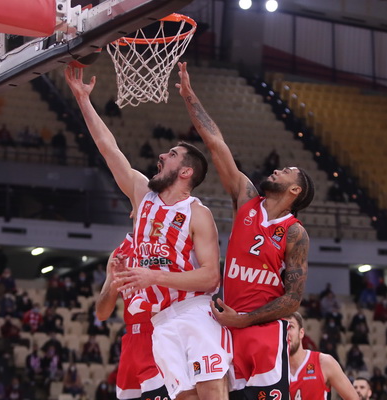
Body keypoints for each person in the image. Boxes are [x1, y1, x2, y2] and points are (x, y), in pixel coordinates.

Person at [65, 62, 230, 400]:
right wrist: (83, 100)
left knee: (211, 390)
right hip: (160, 321)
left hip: (194, 310)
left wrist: (153, 277)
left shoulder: (198, 214)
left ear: (185, 172)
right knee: (183, 397)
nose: (161, 155)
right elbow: (108, 148)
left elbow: (210, 277)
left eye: (172, 155)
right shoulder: (142, 194)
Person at [177, 61, 312, 399]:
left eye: (286, 172)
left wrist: (245, 319)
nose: (277, 170)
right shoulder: (247, 198)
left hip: (262, 333)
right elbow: (216, 144)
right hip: (227, 330)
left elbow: (293, 298)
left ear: (295, 190)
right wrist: (190, 96)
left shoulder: (294, 233)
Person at [95, 234, 168, 400]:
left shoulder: (165, 244)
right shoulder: (118, 254)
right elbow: (101, 313)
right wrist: (114, 285)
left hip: (157, 335)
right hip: (131, 340)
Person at [287, 312, 358, 400]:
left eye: (290, 327)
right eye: (282, 328)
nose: (286, 332)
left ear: (301, 333)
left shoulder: (324, 362)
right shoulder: (274, 369)